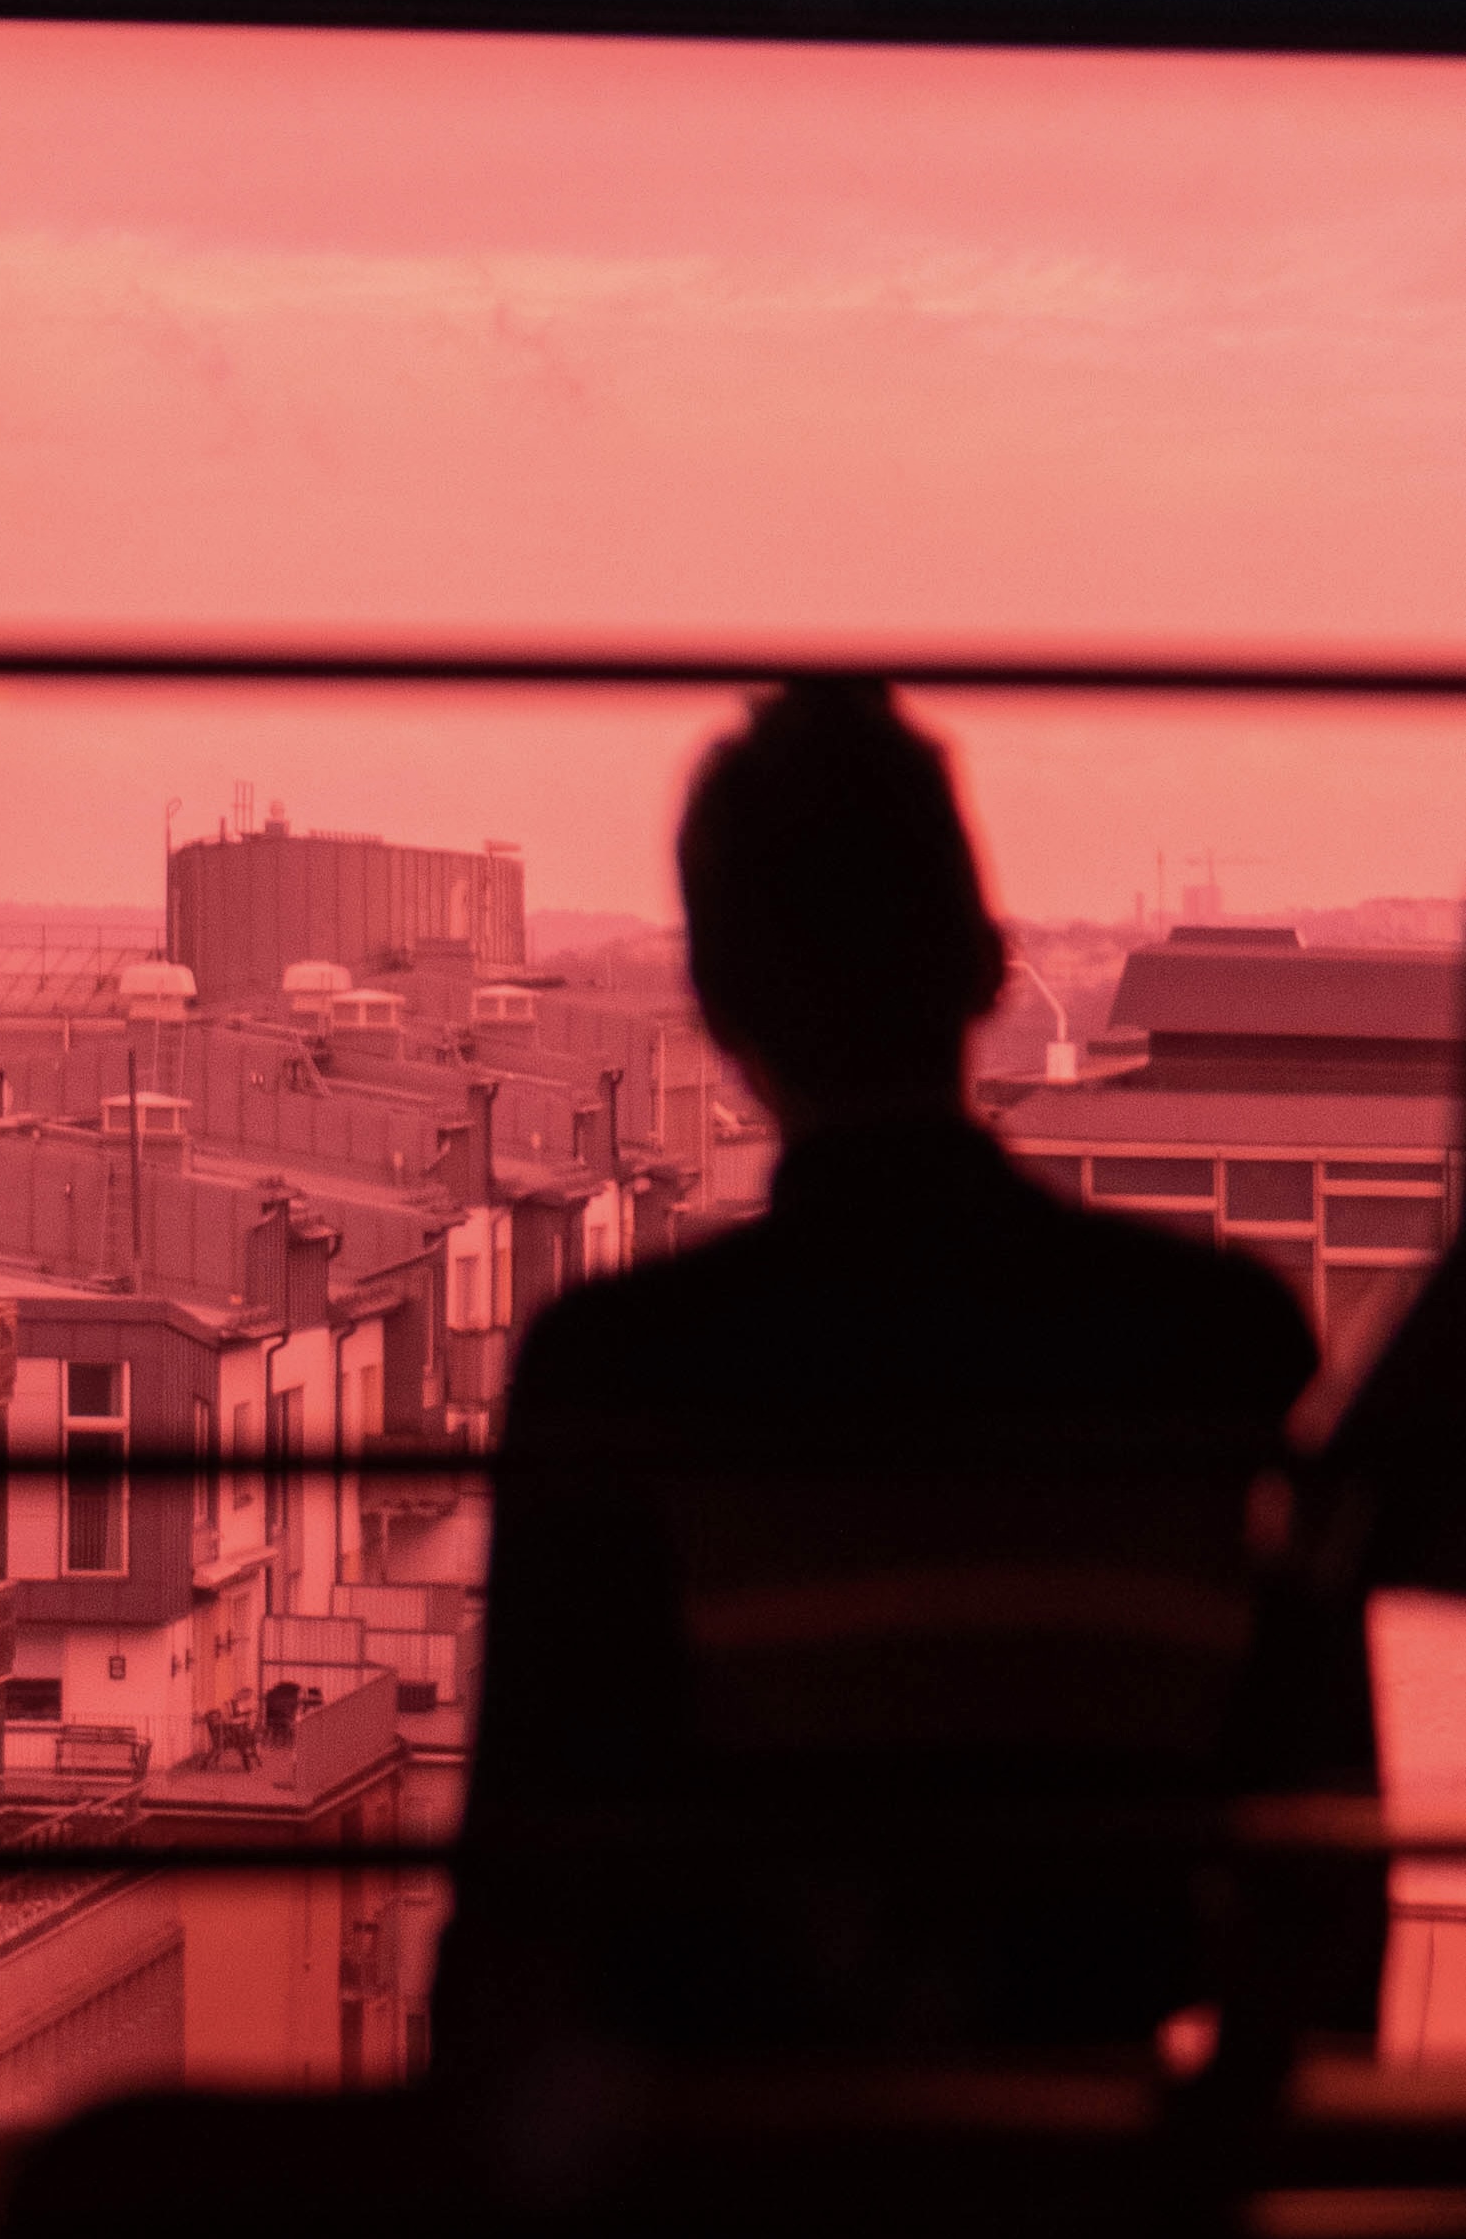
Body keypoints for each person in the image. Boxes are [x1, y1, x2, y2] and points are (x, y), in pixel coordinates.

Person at [437, 674, 1374, 2078]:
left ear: (715, 1005)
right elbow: (1319, 1890)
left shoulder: (626, 1376)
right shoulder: (1221, 1347)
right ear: (984, 961)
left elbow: (526, 1945)